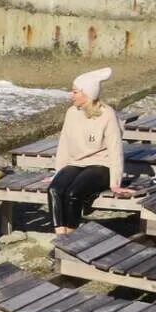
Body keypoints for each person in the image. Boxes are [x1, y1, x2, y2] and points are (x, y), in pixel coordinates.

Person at [48, 67, 126, 234]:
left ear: (87, 94)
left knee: (72, 193)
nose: (71, 95)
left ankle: (71, 234)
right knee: (55, 189)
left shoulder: (107, 114)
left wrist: (115, 183)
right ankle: (61, 235)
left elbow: (115, 149)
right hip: (76, 163)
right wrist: (58, 172)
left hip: (101, 165)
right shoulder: (71, 113)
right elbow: (64, 144)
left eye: (75, 92)